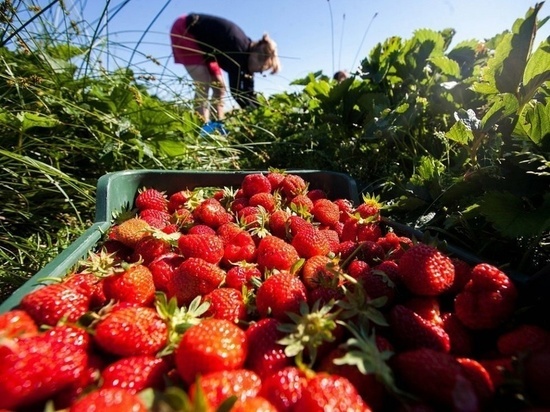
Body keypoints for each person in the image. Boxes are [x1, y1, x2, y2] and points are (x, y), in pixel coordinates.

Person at [170, 13, 281, 124]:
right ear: (256, 56)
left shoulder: (248, 53)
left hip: (208, 47)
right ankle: (201, 127)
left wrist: (262, 110)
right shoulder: (237, 50)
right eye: (260, 69)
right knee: (203, 82)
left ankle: (217, 125)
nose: (259, 72)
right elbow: (236, 92)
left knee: (219, 88)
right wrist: (257, 117)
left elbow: (248, 91)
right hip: (186, 29)